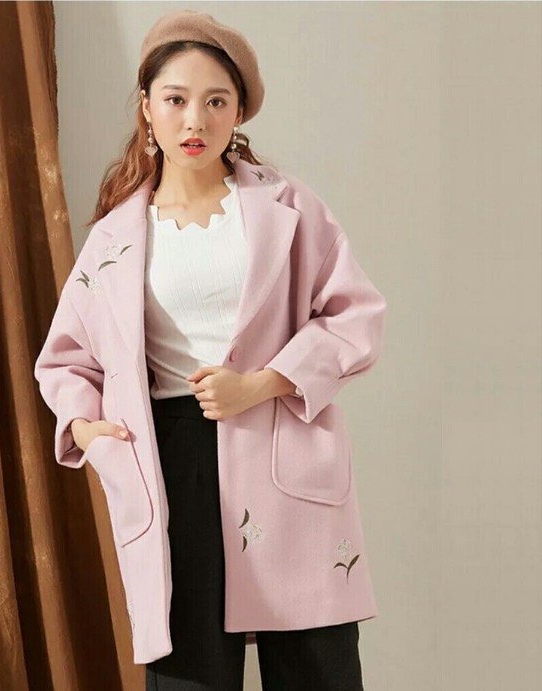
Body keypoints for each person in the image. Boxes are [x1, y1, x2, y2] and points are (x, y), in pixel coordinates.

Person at [34, 9, 386, 691]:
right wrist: (83, 424)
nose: (195, 119)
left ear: (238, 112)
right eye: (176, 99)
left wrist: (264, 381)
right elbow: (67, 357)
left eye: (216, 101)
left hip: (281, 437)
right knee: (190, 673)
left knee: (316, 665)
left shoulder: (289, 208)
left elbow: (356, 315)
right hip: (172, 459)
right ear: (147, 108)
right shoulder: (114, 239)